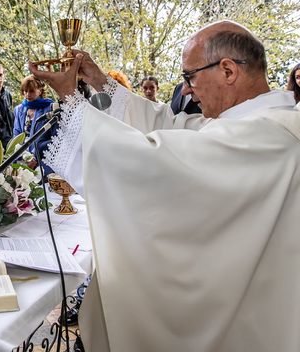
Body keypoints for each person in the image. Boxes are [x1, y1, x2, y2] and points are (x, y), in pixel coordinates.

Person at [31, 20, 299, 351]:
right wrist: (99, 81)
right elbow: (171, 126)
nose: (185, 90)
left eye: (190, 76)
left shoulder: (267, 139)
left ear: (228, 71)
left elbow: (154, 167)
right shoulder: (250, 123)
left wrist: (71, 97)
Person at [13, 75, 55, 169]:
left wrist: (35, 156)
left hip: (43, 159)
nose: (27, 94)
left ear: (40, 90)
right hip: (21, 158)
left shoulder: (49, 108)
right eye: (25, 91)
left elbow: (53, 138)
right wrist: (24, 157)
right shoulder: (18, 109)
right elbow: (16, 136)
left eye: (31, 91)